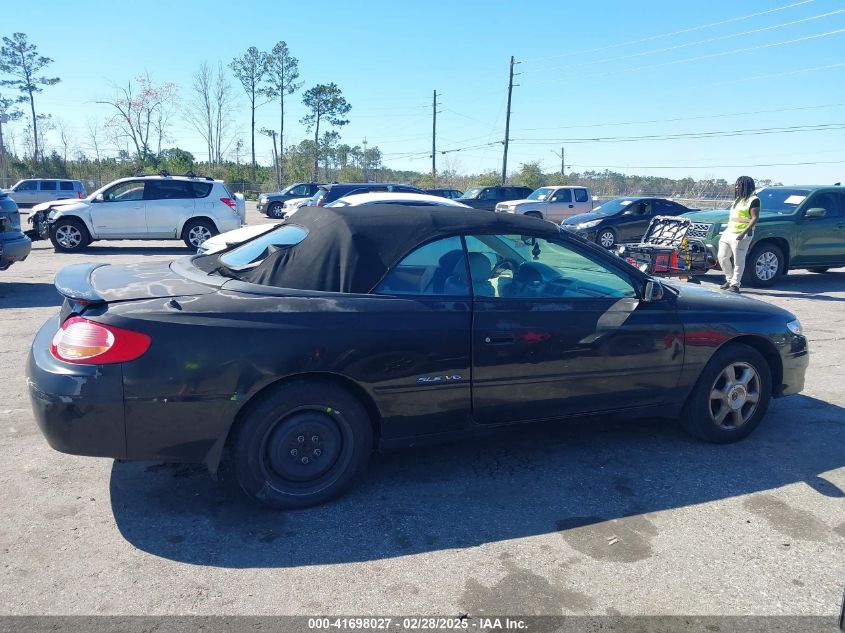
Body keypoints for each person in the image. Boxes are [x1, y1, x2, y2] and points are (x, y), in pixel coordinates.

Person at [718, 175, 760, 293]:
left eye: (738, 184)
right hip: (729, 231)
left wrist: (743, 233)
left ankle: (735, 284)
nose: (736, 187)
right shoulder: (738, 199)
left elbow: (755, 218)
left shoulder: (754, 200)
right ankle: (729, 279)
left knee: (738, 260)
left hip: (742, 234)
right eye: (736, 184)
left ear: (746, 185)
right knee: (722, 256)